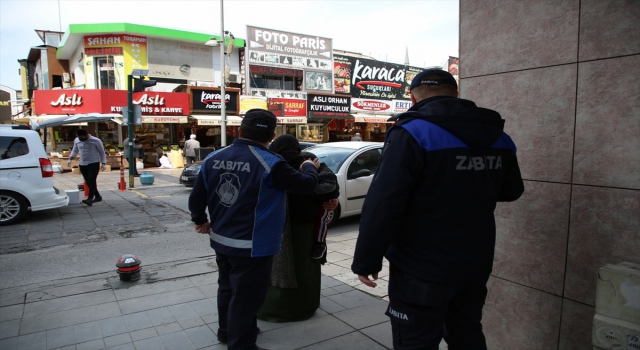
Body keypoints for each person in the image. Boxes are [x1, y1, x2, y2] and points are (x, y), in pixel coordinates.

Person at [351, 69, 525, 349]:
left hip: (421, 265)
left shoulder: (412, 131)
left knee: (415, 339)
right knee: (466, 332)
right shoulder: (498, 136)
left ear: (412, 98)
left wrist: (367, 260)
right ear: (456, 94)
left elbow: (385, 201)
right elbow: (512, 191)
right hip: (475, 260)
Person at [189, 109, 320, 350]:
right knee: (247, 298)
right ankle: (241, 345)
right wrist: (310, 166)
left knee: (227, 287)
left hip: (221, 240)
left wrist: (200, 220)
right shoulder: (271, 163)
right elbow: (307, 185)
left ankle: (227, 332)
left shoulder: (213, 158)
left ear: (239, 131)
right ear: (271, 135)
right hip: (254, 246)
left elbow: (197, 198)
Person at [257, 135, 338, 323]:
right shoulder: (308, 163)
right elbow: (329, 187)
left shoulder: (269, 164)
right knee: (304, 267)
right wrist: (332, 198)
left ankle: (270, 307)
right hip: (305, 226)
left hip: (271, 225)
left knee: (274, 268)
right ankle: (304, 305)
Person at [67, 129, 107, 206]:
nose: (80, 139)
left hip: (93, 163)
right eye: (79, 137)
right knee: (88, 181)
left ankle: (90, 199)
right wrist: (70, 159)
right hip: (82, 163)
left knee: (91, 180)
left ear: (86, 135)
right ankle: (98, 196)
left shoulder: (96, 141)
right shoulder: (77, 140)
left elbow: (101, 152)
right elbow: (75, 150)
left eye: (82, 137)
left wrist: (104, 163)